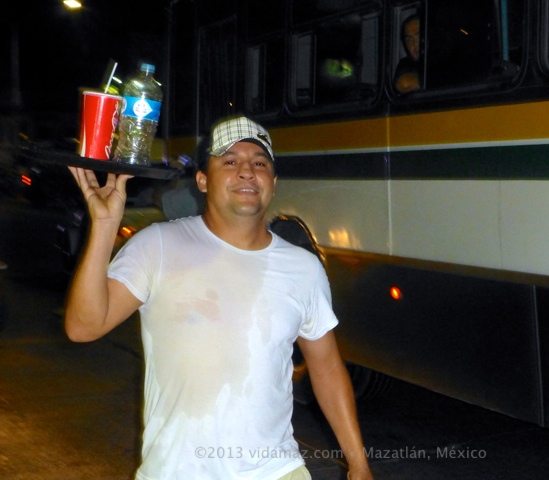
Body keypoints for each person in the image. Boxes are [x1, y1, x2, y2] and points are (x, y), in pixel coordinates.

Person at [64, 116, 375, 480]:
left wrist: (359, 464)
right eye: (229, 161)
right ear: (202, 180)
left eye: (259, 163)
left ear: (273, 184)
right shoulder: (157, 246)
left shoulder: (303, 268)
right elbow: (83, 328)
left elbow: (327, 368)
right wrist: (104, 226)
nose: (246, 171)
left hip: (276, 471)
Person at [393, 14, 422, 94]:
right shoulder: (406, 64)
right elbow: (404, 84)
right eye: (409, 40)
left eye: (419, 36)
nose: (415, 44)